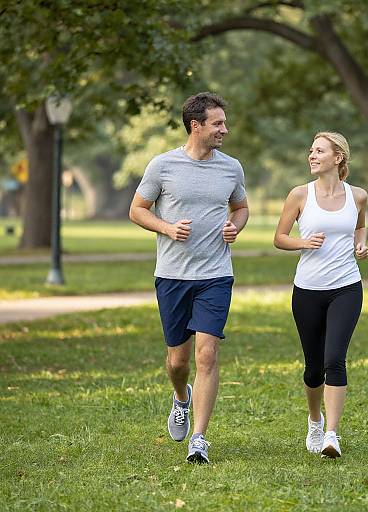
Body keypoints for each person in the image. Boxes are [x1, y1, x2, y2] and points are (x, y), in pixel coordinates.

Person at [129, 92, 249, 464]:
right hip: (172, 276)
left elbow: (241, 207)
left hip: (215, 274)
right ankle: (181, 397)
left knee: (208, 353)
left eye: (224, 123)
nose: (224, 130)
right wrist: (166, 227)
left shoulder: (231, 168)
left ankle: (199, 438)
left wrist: (235, 227)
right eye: (217, 123)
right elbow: (136, 210)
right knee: (178, 362)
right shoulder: (162, 166)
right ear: (196, 126)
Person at [274, 131, 368, 458]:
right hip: (308, 291)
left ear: (338, 157)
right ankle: (315, 420)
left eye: (319, 150)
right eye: (311, 150)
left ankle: (331, 434)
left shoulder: (358, 196)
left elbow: (359, 226)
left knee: (334, 360)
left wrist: (360, 244)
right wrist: (304, 242)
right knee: (314, 368)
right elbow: (279, 237)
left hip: (346, 287)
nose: (312, 155)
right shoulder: (300, 195)